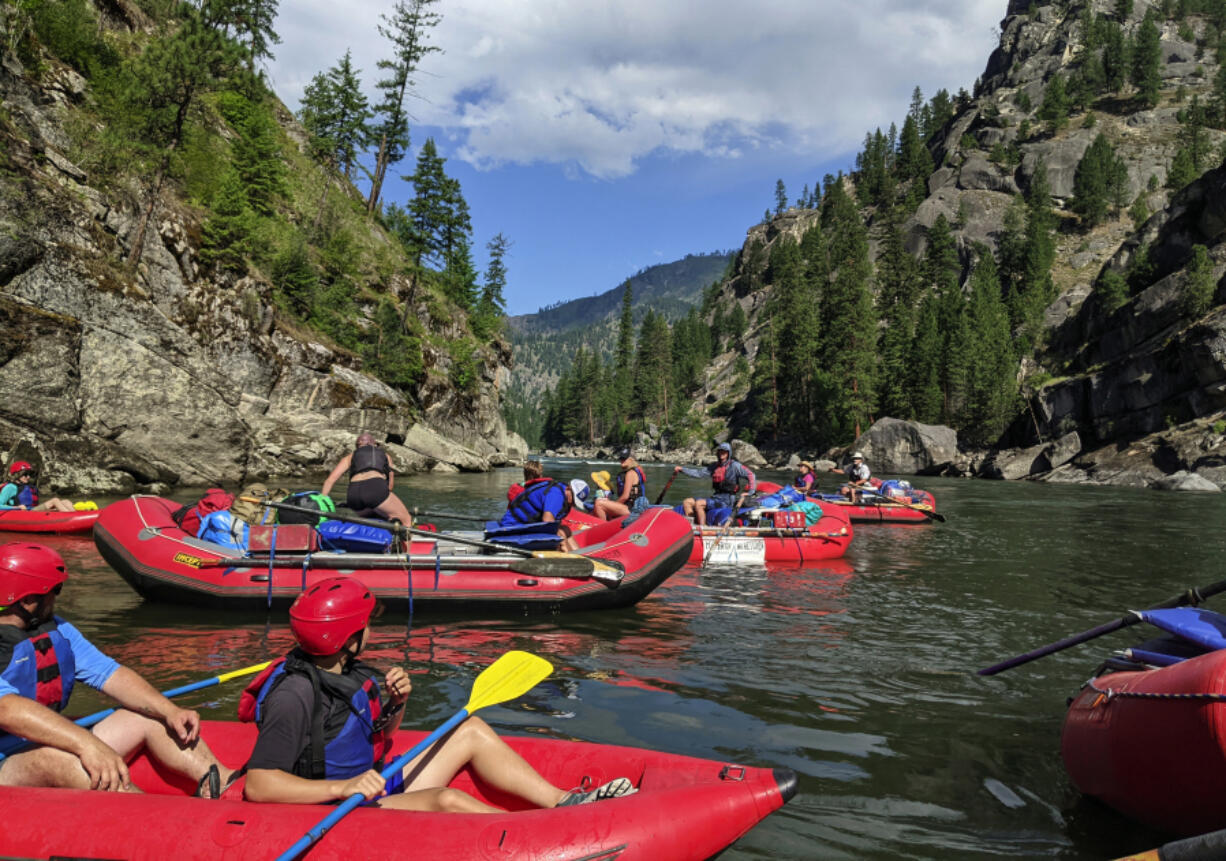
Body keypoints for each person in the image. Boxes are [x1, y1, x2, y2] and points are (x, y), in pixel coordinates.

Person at [236, 577, 636, 809]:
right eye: (364, 626)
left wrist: (397, 703)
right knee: (446, 801)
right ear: (346, 636)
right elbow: (260, 785)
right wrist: (342, 789)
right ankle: (539, 837)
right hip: (342, 805)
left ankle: (563, 803)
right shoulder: (295, 695)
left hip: (372, 780)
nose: (370, 631)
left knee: (472, 729)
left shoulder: (349, 671)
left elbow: (382, 738)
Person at [0, 543, 235, 796]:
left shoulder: (56, 628)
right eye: (55, 589)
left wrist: (169, 710)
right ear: (27, 600)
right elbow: (7, 709)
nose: (58, 596)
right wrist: (87, 744)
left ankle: (224, 786)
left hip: (39, 739)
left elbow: (108, 673)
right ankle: (160, 821)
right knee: (59, 760)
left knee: (146, 716)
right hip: (7, 763)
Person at [321, 433, 412, 526]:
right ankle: (407, 539)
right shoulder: (385, 455)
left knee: (374, 516)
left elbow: (330, 480)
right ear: (374, 444)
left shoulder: (350, 457)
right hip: (374, 489)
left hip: (353, 495)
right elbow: (390, 486)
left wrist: (322, 499)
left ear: (357, 446)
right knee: (406, 519)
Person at [673, 442, 756, 527]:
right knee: (687, 502)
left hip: (726, 500)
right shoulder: (714, 466)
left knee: (699, 503)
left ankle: (703, 528)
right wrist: (682, 470)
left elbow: (751, 475)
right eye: (720, 451)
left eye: (724, 452)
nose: (721, 454)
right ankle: (691, 526)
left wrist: (751, 492)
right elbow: (699, 473)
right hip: (716, 497)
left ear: (728, 453)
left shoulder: (735, 466)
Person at [496, 471, 583, 552]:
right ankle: (571, 562)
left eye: (576, 503)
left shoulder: (561, 490)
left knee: (566, 530)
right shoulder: (556, 495)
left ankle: (580, 557)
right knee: (561, 534)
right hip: (514, 525)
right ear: (568, 488)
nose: (573, 504)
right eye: (573, 499)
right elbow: (547, 521)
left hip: (526, 524)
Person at [593, 448, 648, 521]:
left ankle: (603, 528)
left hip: (631, 509)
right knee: (604, 502)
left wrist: (611, 506)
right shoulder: (634, 471)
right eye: (621, 458)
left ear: (631, 459)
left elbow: (625, 497)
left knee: (599, 504)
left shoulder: (630, 473)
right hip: (630, 507)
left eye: (624, 458)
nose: (621, 461)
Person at [0, 462, 75, 513]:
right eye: (25, 474)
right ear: (16, 475)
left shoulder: (29, 486)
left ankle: (76, 517)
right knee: (55, 500)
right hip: (21, 513)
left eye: (30, 474)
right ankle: (71, 519)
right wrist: (17, 508)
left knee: (66, 502)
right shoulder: (10, 487)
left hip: (32, 511)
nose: (28, 477)